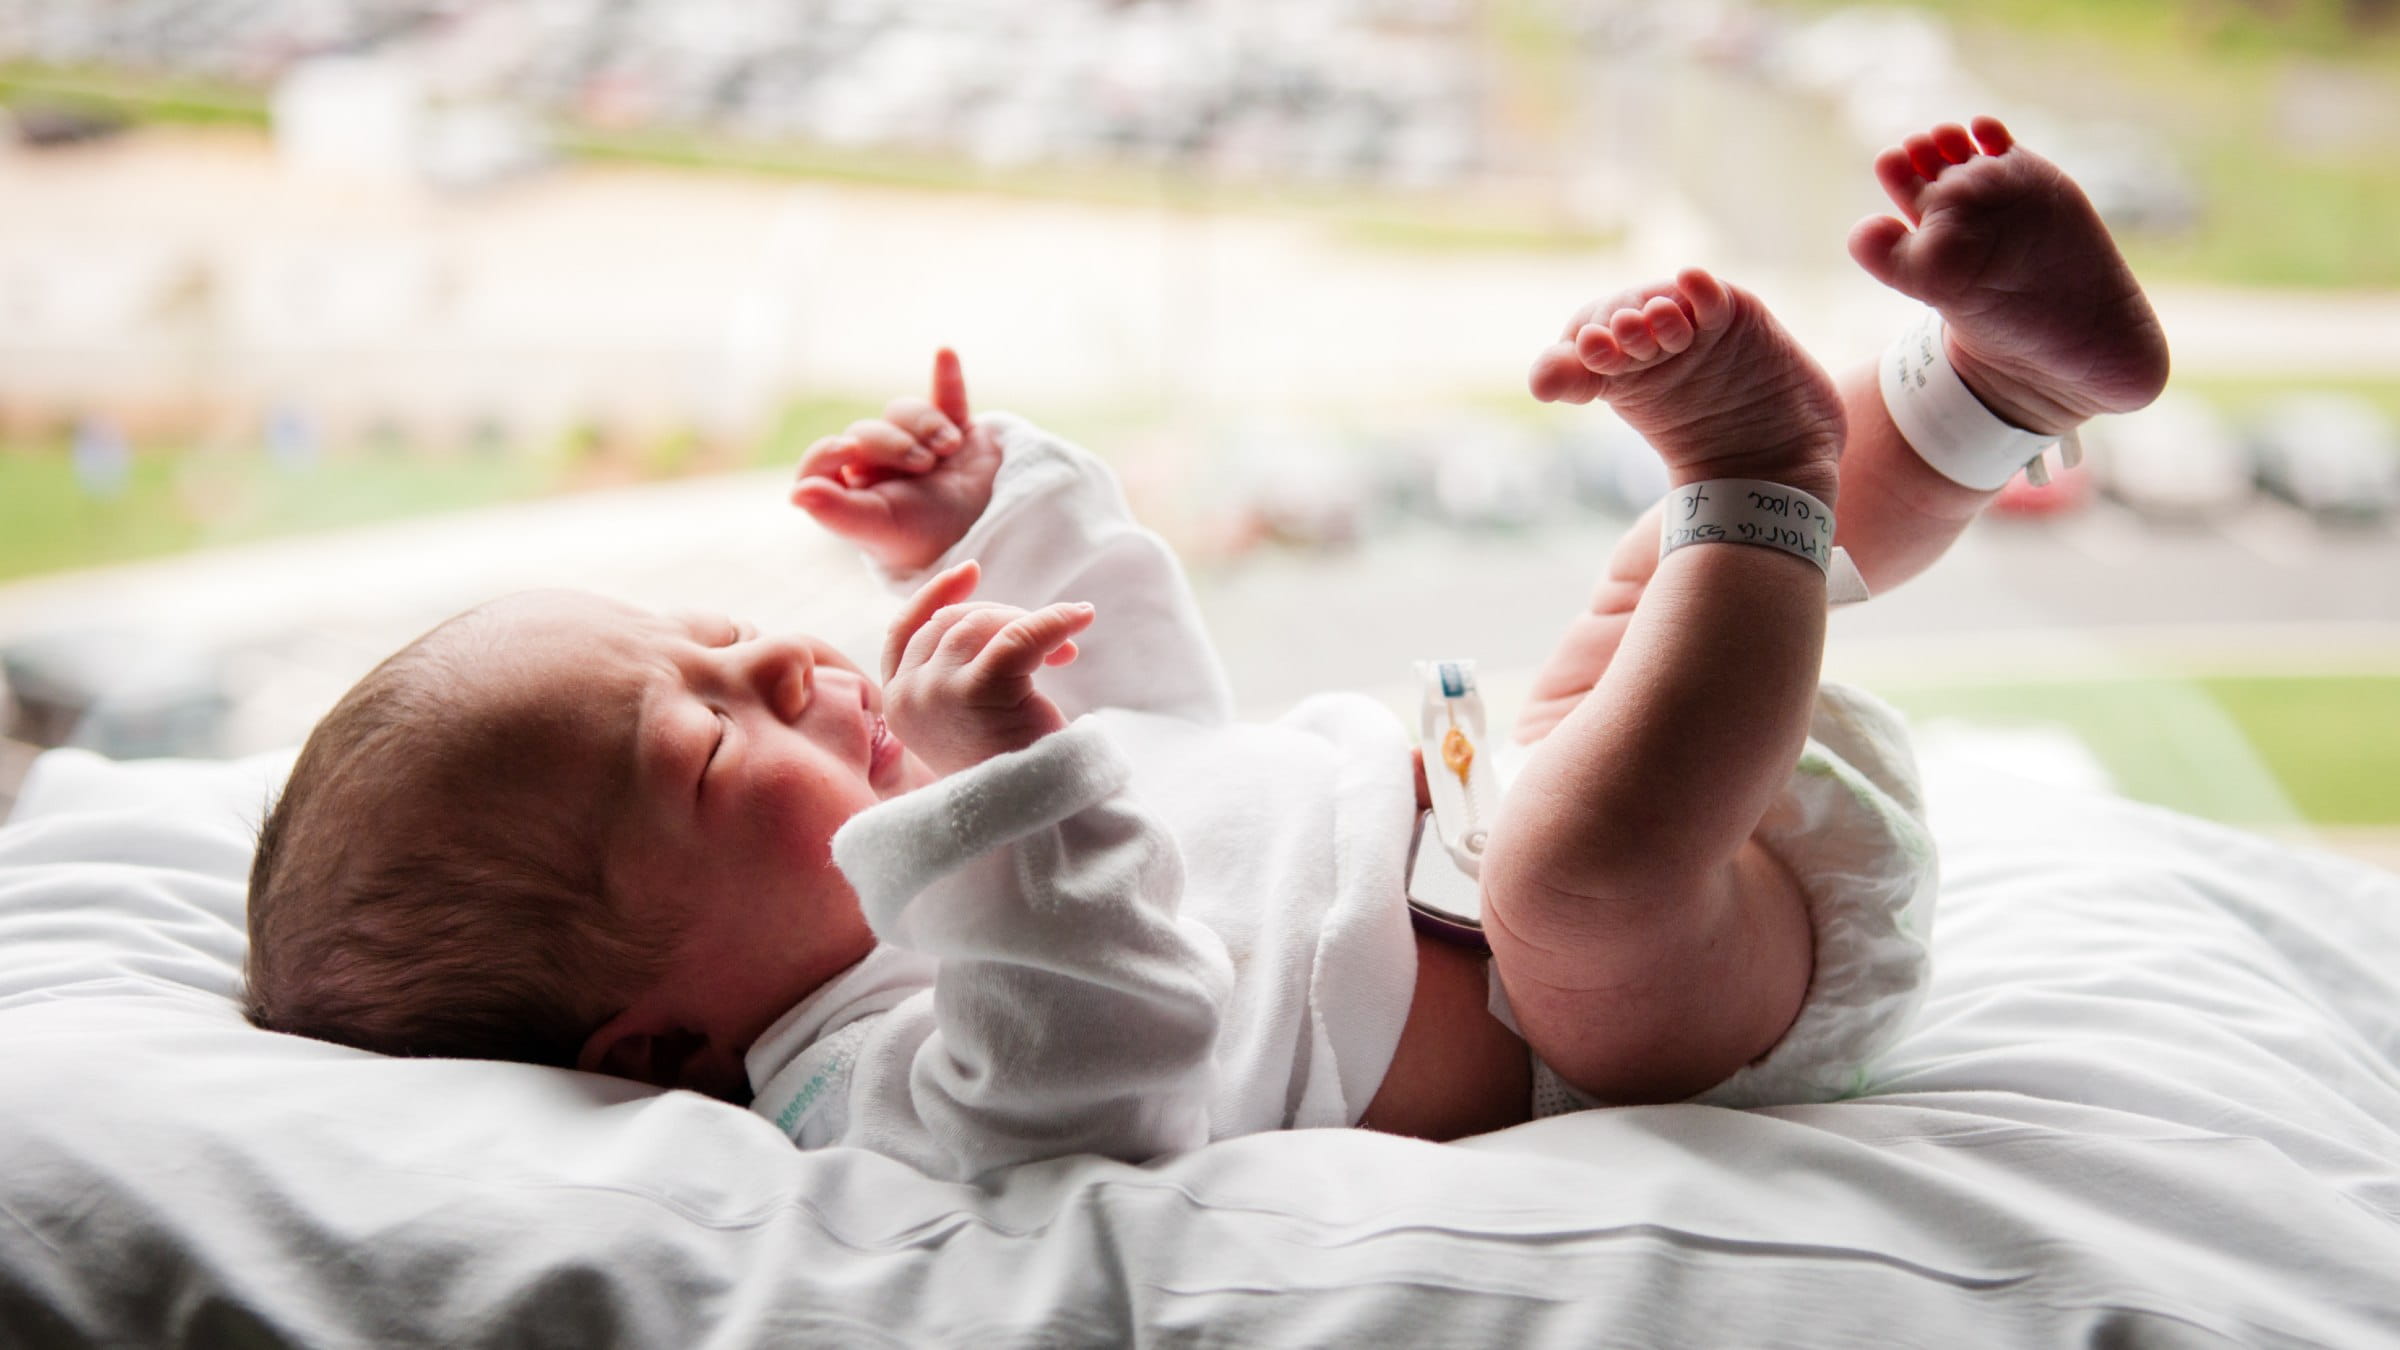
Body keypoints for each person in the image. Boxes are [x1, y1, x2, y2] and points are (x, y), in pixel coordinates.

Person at [243, 118, 2168, 1177]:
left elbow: (1154, 688)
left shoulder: (948, 803)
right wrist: (996, 801)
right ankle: (1772, 461)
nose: (780, 672)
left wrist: (1004, 513)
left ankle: (1983, 387)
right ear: (657, 1034)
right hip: (1629, 1014)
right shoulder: (853, 1084)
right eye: (712, 748)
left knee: (1640, 604)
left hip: (1521, 785)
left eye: (724, 643)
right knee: (1597, 858)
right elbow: (1106, 1067)